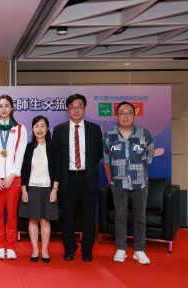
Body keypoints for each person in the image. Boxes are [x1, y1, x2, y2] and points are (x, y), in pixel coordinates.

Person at [52, 93, 103, 262]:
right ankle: (70, 249)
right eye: (72, 107)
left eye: (79, 106)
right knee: (68, 218)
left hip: (88, 179)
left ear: (85, 109)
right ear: (68, 109)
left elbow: (97, 155)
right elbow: (56, 158)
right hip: (68, 179)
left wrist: (85, 169)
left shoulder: (95, 129)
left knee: (89, 218)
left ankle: (87, 250)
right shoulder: (59, 130)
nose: (76, 110)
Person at [103, 101, 155, 265]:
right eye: (122, 113)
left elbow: (149, 155)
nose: (125, 116)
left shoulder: (144, 134)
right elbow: (106, 160)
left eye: (129, 112)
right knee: (120, 217)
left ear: (134, 115)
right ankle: (121, 249)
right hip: (118, 183)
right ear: (116, 116)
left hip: (140, 183)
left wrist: (137, 169)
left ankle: (139, 250)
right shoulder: (109, 135)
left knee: (140, 217)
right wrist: (112, 179)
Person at [0, 94, 27, 260]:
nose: (3, 109)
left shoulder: (20, 128)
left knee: (11, 214)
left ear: (12, 108)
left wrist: (12, 174)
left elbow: (20, 153)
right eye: (0, 106)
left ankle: (11, 245)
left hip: (13, 177)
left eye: (7, 106)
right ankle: (0, 245)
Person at [20, 115, 60, 263]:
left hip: (48, 188)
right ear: (32, 129)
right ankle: (35, 249)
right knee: (32, 220)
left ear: (47, 128)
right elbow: (24, 170)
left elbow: (57, 170)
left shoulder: (53, 147)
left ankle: (45, 250)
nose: (39, 129)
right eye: (36, 126)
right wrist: (24, 190)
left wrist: (54, 189)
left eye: (42, 126)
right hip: (32, 187)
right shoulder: (29, 148)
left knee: (45, 221)